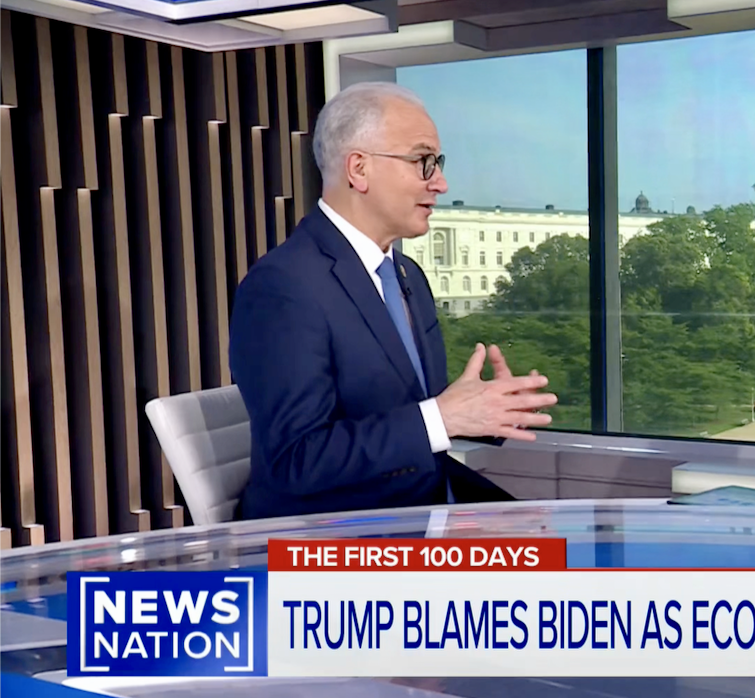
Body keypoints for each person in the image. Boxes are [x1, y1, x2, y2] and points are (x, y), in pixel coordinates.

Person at [229, 82, 558, 520]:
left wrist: (487, 408)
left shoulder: (408, 276)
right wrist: (442, 418)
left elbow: (411, 412)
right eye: (423, 162)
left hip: (428, 509)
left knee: (573, 555)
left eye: (437, 163)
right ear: (359, 169)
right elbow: (297, 460)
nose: (440, 183)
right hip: (336, 541)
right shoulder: (283, 287)